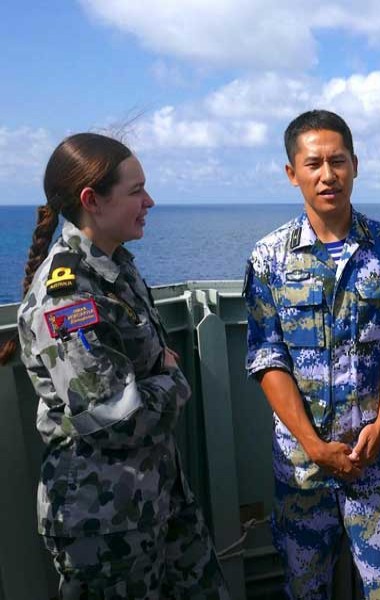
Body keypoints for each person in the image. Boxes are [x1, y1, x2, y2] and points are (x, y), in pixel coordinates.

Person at [0, 133, 229, 599]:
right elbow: (117, 419)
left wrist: (155, 379)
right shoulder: (68, 299)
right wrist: (173, 379)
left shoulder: (115, 268)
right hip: (105, 524)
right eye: (135, 191)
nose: (150, 201)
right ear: (92, 201)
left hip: (157, 497)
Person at [244, 109, 380, 599]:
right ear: (292, 173)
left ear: (355, 165)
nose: (328, 175)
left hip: (373, 463)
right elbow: (267, 360)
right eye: (314, 163)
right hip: (303, 469)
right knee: (305, 590)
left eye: (337, 161)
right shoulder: (269, 257)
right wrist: (316, 447)